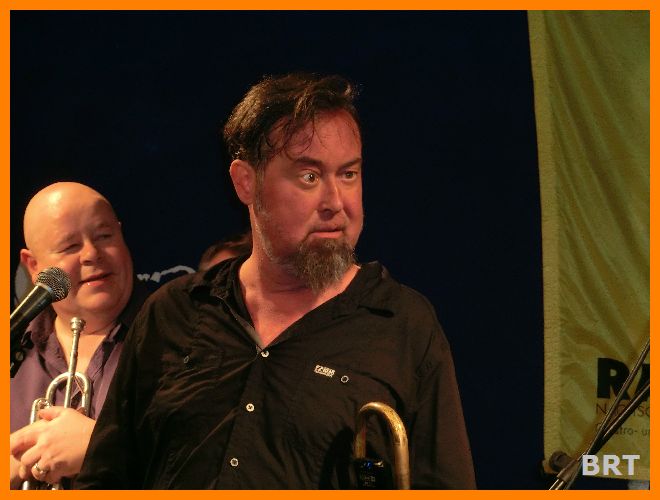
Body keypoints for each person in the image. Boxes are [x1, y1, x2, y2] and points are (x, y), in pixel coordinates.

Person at [77, 73, 476, 489]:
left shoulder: (403, 325)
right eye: (309, 176)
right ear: (245, 182)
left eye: (348, 174)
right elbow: (103, 481)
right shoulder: (173, 312)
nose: (335, 202)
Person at [9, 182, 146, 489]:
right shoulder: (13, 346)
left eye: (104, 236)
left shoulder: (180, 333)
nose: (92, 254)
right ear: (33, 265)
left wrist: (102, 447)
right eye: (69, 246)